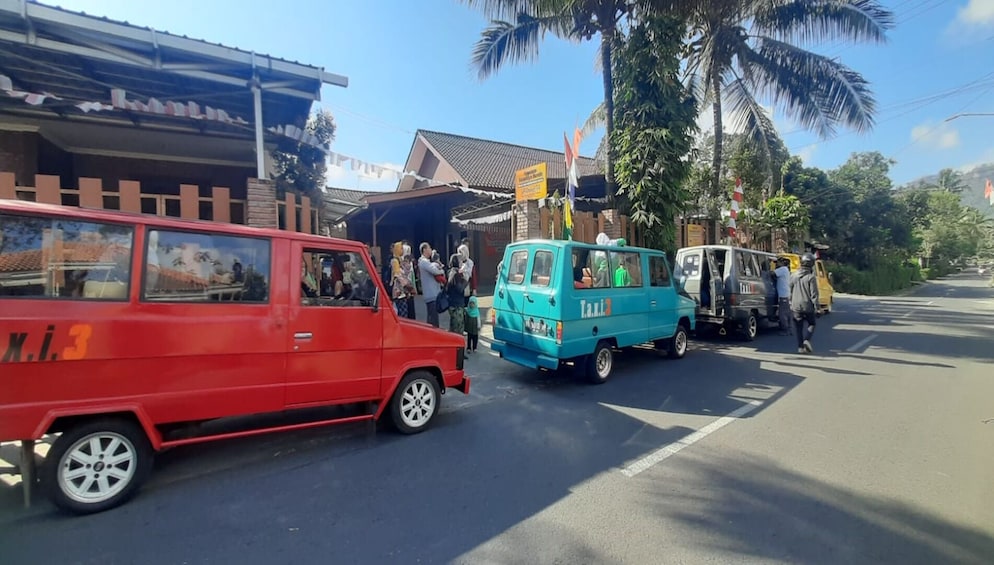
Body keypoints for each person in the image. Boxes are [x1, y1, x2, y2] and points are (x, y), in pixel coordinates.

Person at [789, 253, 820, 353]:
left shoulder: (793, 275)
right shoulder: (811, 277)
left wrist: (790, 303)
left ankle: (800, 347)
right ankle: (807, 340)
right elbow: (814, 294)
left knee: (798, 327)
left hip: (795, 305)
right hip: (807, 305)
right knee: (812, 323)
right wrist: (817, 308)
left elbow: (790, 290)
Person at [418, 242, 445, 328]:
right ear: (424, 250)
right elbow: (435, 271)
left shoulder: (427, 262)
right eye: (429, 248)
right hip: (431, 294)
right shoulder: (423, 262)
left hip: (433, 294)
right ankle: (434, 336)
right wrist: (441, 270)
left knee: (432, 317)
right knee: (433, 319)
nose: (431, 250)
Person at [446, 253, 468, 335]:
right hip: (457, 305)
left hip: (453, 303)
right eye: (460, 261)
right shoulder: (456, 274)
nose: (462, 263)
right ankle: (459, 347)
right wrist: (465, 280)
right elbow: (460, 288)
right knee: (458, 328)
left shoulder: (451, 272)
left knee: (453, 327)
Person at [775, 258, 792, 336]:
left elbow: (772, 273)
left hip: (783, 295)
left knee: (782, 314)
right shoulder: (786, 270)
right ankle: (789, 329)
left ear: (782, 263)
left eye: (777, 262)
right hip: (786, 294)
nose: (776, 264)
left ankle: (785, 330)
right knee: (787, 313)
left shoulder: (782, 269)